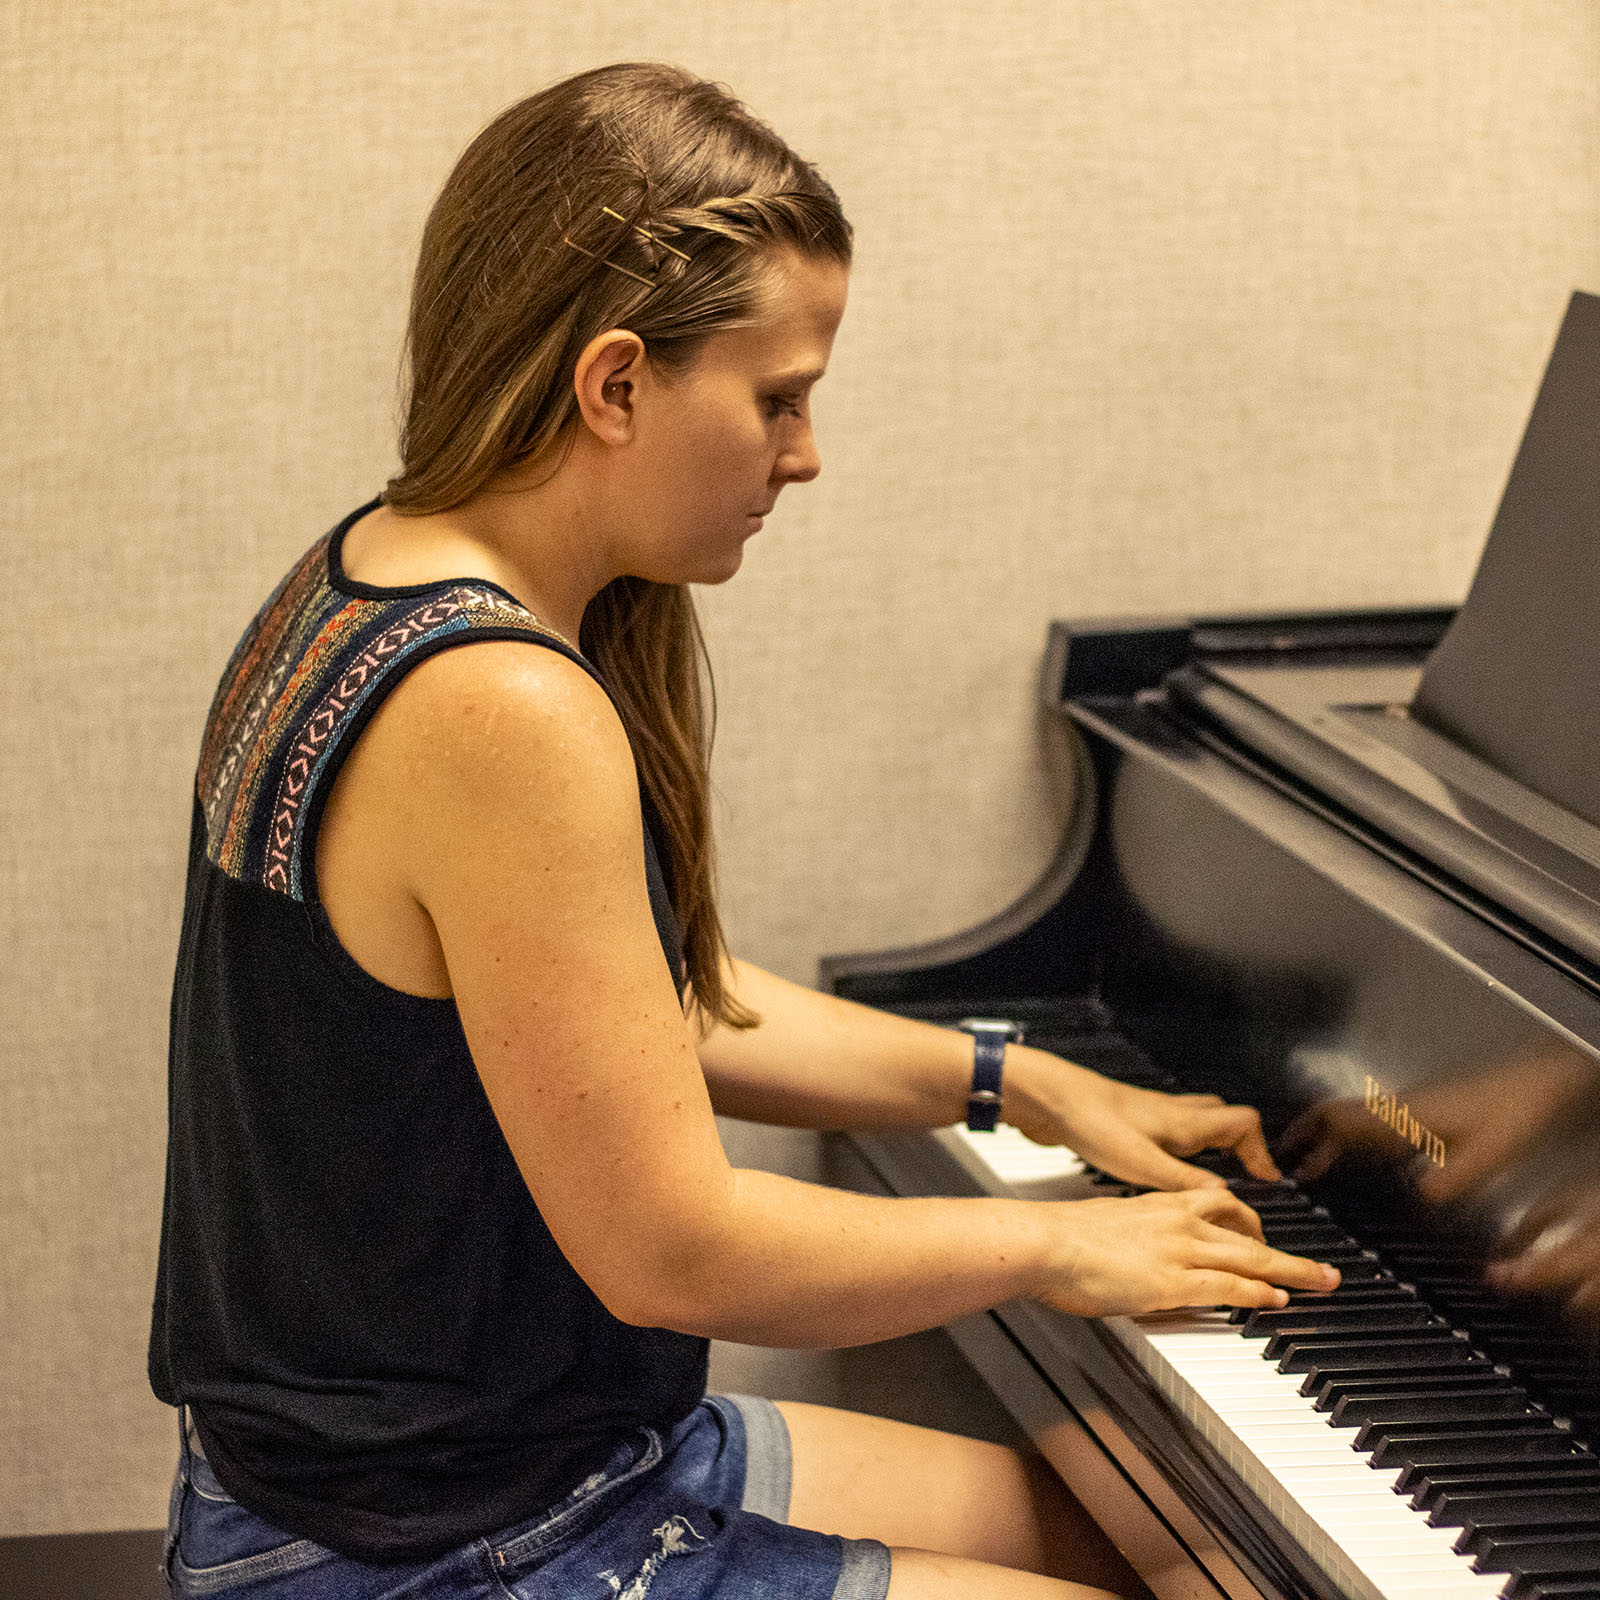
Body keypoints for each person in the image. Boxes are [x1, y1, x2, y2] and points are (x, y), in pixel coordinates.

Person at [150, 61, 1338, 1600]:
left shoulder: (369, 573)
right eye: (780, 396)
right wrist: (1059, 1252)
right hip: (429, 1546)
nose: (805, 452)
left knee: (1176, 1541)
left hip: (514, 1460)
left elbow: (645, 1013)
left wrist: (1015, 1082)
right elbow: (675, 1251)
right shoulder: (499, 707)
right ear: (618, 382)